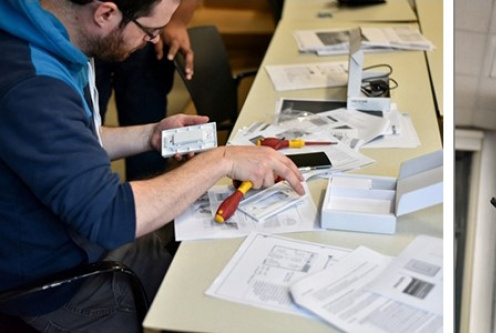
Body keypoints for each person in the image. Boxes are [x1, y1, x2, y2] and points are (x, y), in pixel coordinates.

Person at [0, 0, 305, 331]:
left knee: (215, 264)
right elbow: (109, 216)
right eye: (151, 32)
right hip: (62, 288)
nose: (152, 41)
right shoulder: (33, 85)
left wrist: (151, 135)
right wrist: (223, 159)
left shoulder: (57, 35)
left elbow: (73, 142)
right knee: (221, 308)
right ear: (105, 14)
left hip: (86, 247)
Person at [94, 0, 198, 181]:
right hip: (91, 26)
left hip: (147, 23)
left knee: (148, 129)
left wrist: (174, 20)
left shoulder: (149, 34)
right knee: (83, 129)